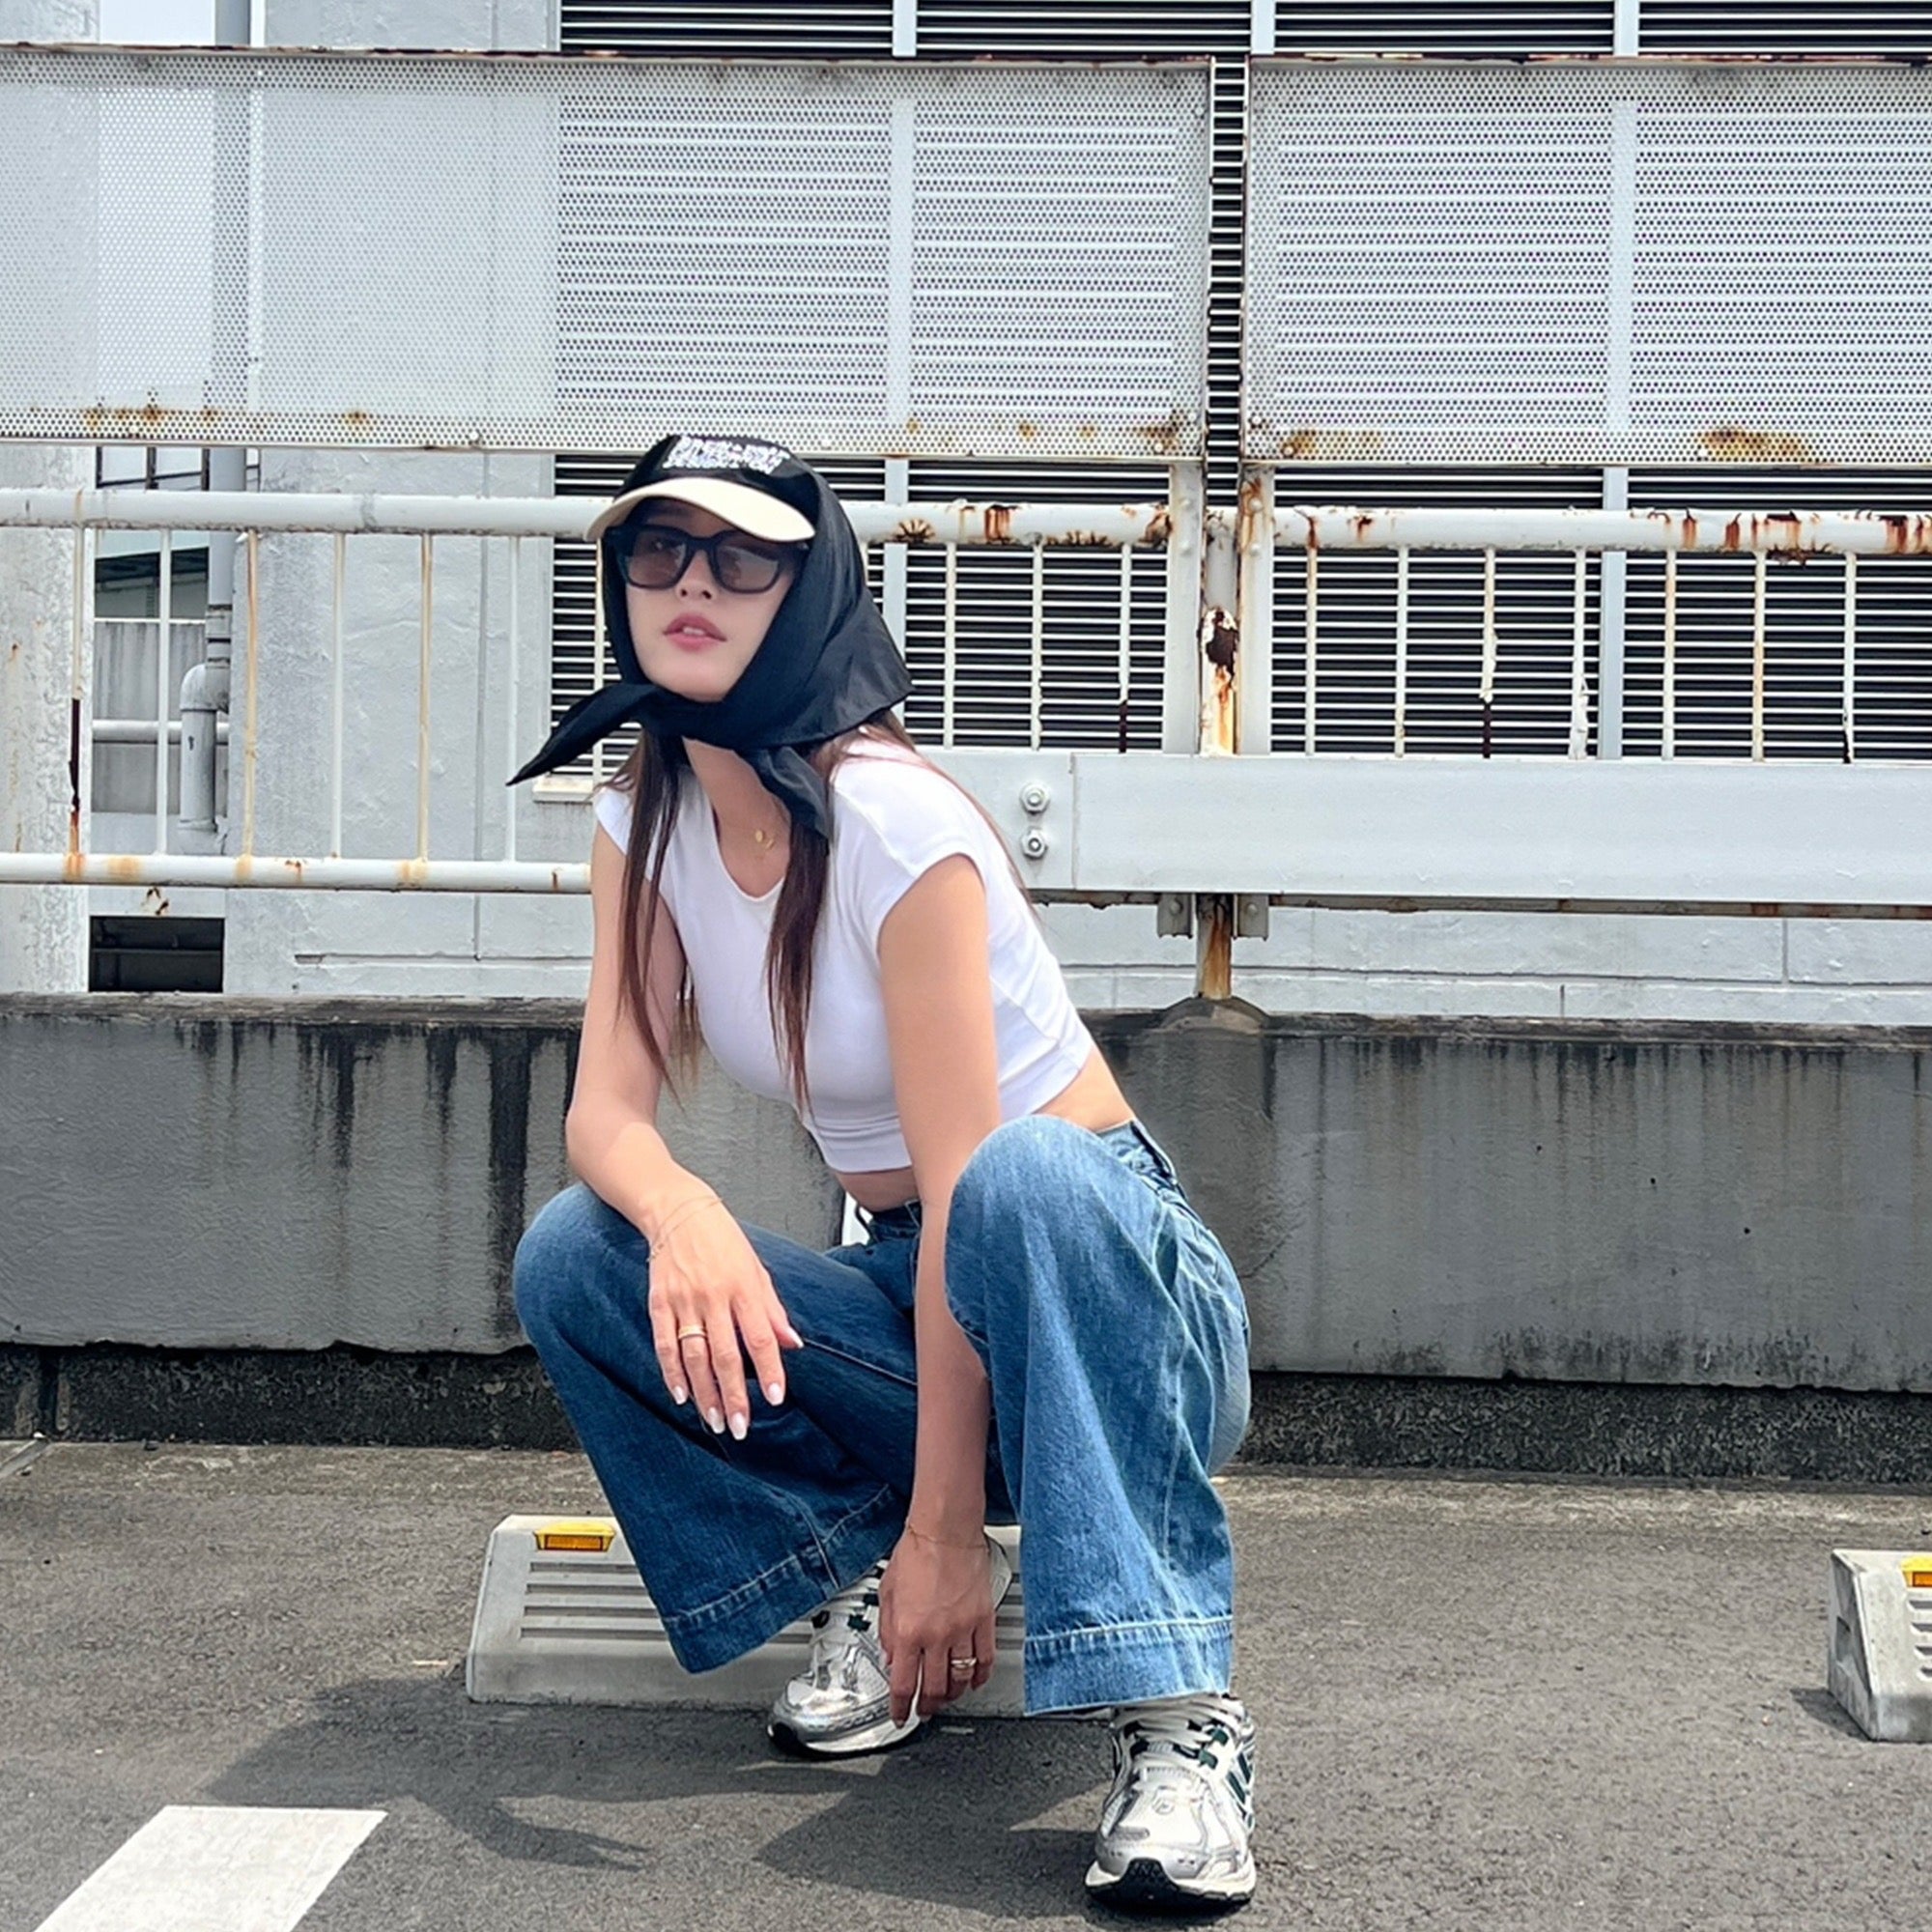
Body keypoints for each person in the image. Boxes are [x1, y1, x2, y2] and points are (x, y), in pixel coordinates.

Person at [505, 431, 1257, 1914]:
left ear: (813, 594)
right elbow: (606, 1113)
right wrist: (684, 1209)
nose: (692, 584)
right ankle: (852, 1576)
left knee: (1026, 1177)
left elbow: (975, 1197)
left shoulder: (897, 824)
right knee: (579, 1254)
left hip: (1117, 1305)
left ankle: (1180, 1715)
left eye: (743, 557)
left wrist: (951, 1533)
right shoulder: (639, 817)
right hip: (917, 1288)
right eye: (659, 548)